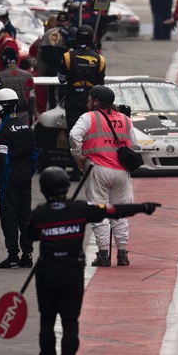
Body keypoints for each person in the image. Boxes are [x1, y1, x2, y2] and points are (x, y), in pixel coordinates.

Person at [29, 167, 159, 355]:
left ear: (43, 189)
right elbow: (113, 210)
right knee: (70, 322)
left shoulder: (40, 214)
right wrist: (142, 208)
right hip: (72, 275)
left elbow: (29, 236)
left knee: (47, 321)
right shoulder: (81, 209)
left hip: (47, 275)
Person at [69, 85, 137, 266]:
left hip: (98, 169)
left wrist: (79, 156)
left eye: (90, 99)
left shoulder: (88, 117)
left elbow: (74, 135)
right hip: (122, 171)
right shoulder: (124, 118)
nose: (87, 102)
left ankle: (103, 255)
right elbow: (134, 144)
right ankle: (122, 254)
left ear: (97, 101)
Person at [0, 89, 39, 269]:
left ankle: (13, 256)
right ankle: (27, 255)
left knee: (9, 215)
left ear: (0, 107)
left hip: (9, 176)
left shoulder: (2, 130)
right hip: (25, 174)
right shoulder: (26, 126)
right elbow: (34, 152)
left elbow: (2, 159)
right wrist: (29, 170)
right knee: (24, 215)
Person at [59, 24, 106, 135]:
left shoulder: (67, 56)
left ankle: (74, 152)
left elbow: (62, 79)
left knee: (74, 132)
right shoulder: (100, 59)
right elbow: (101, 84)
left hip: (73, 98)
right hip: (92, 100)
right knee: (92, 132)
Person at [0, 47, 37, 126]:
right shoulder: (28, 76)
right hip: (25, 116)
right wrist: (31, 115)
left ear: (4, 60)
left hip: (7, 117)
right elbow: (32, 99)